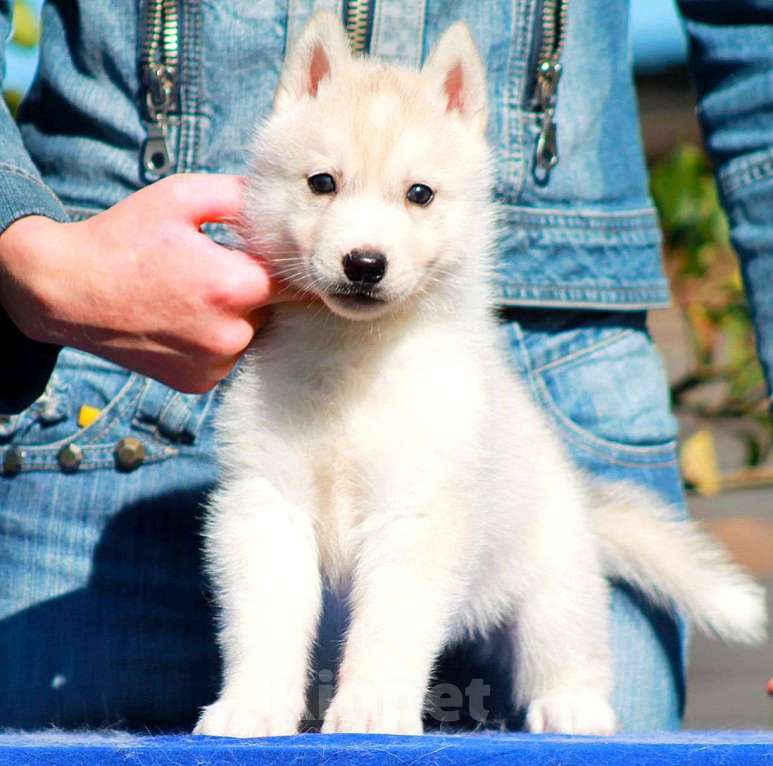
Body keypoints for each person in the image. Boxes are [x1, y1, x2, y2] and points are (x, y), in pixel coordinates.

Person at [0, 0, 770, 732]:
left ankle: (560, 678)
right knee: (266, 511)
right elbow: (268, 516)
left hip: (572, 371)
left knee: (554, 601)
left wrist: (378, 688)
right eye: (324, 184)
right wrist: (24, 243)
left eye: (418, 195)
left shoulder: (450, 372)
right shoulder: (275, 359)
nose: (363, 243)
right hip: (104, 381)